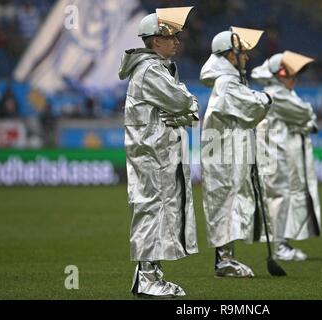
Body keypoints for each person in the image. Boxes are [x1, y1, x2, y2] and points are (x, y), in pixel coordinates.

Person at [118, 6, 199, 298]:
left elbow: (185, 110)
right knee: (151, 211)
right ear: (155, 40)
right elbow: (182, 102)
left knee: (155, 211)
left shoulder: (157, 69)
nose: (177, 41)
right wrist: (186, 108)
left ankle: (150, 276)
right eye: (172, 36)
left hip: (156, 153)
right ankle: (148, 279)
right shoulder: (151, 70)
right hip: (152, 154)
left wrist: (184, 111)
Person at [200, 27, 272, 277]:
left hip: (227, 154)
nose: (247, 57)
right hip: (224, 157)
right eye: (242, 52)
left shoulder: (229, 82)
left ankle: (226, 258)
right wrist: (267, 99)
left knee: (229, 203)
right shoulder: (227, 83)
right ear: (230, 56)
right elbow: (252, 107)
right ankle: (224, 261)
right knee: (226, 204)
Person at [251, 51, 322, 262]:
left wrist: (305, 120)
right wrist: (306, 121)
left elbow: (304, 116)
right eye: (290, 74)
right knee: (278, 197)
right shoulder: (277, 94)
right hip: (273, 155)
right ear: (278, 74)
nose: (295, 78)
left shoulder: (282, 94)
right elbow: (305, 113)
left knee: (281, 197)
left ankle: (280, 242)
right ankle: (279, 245)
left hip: (277, 154)